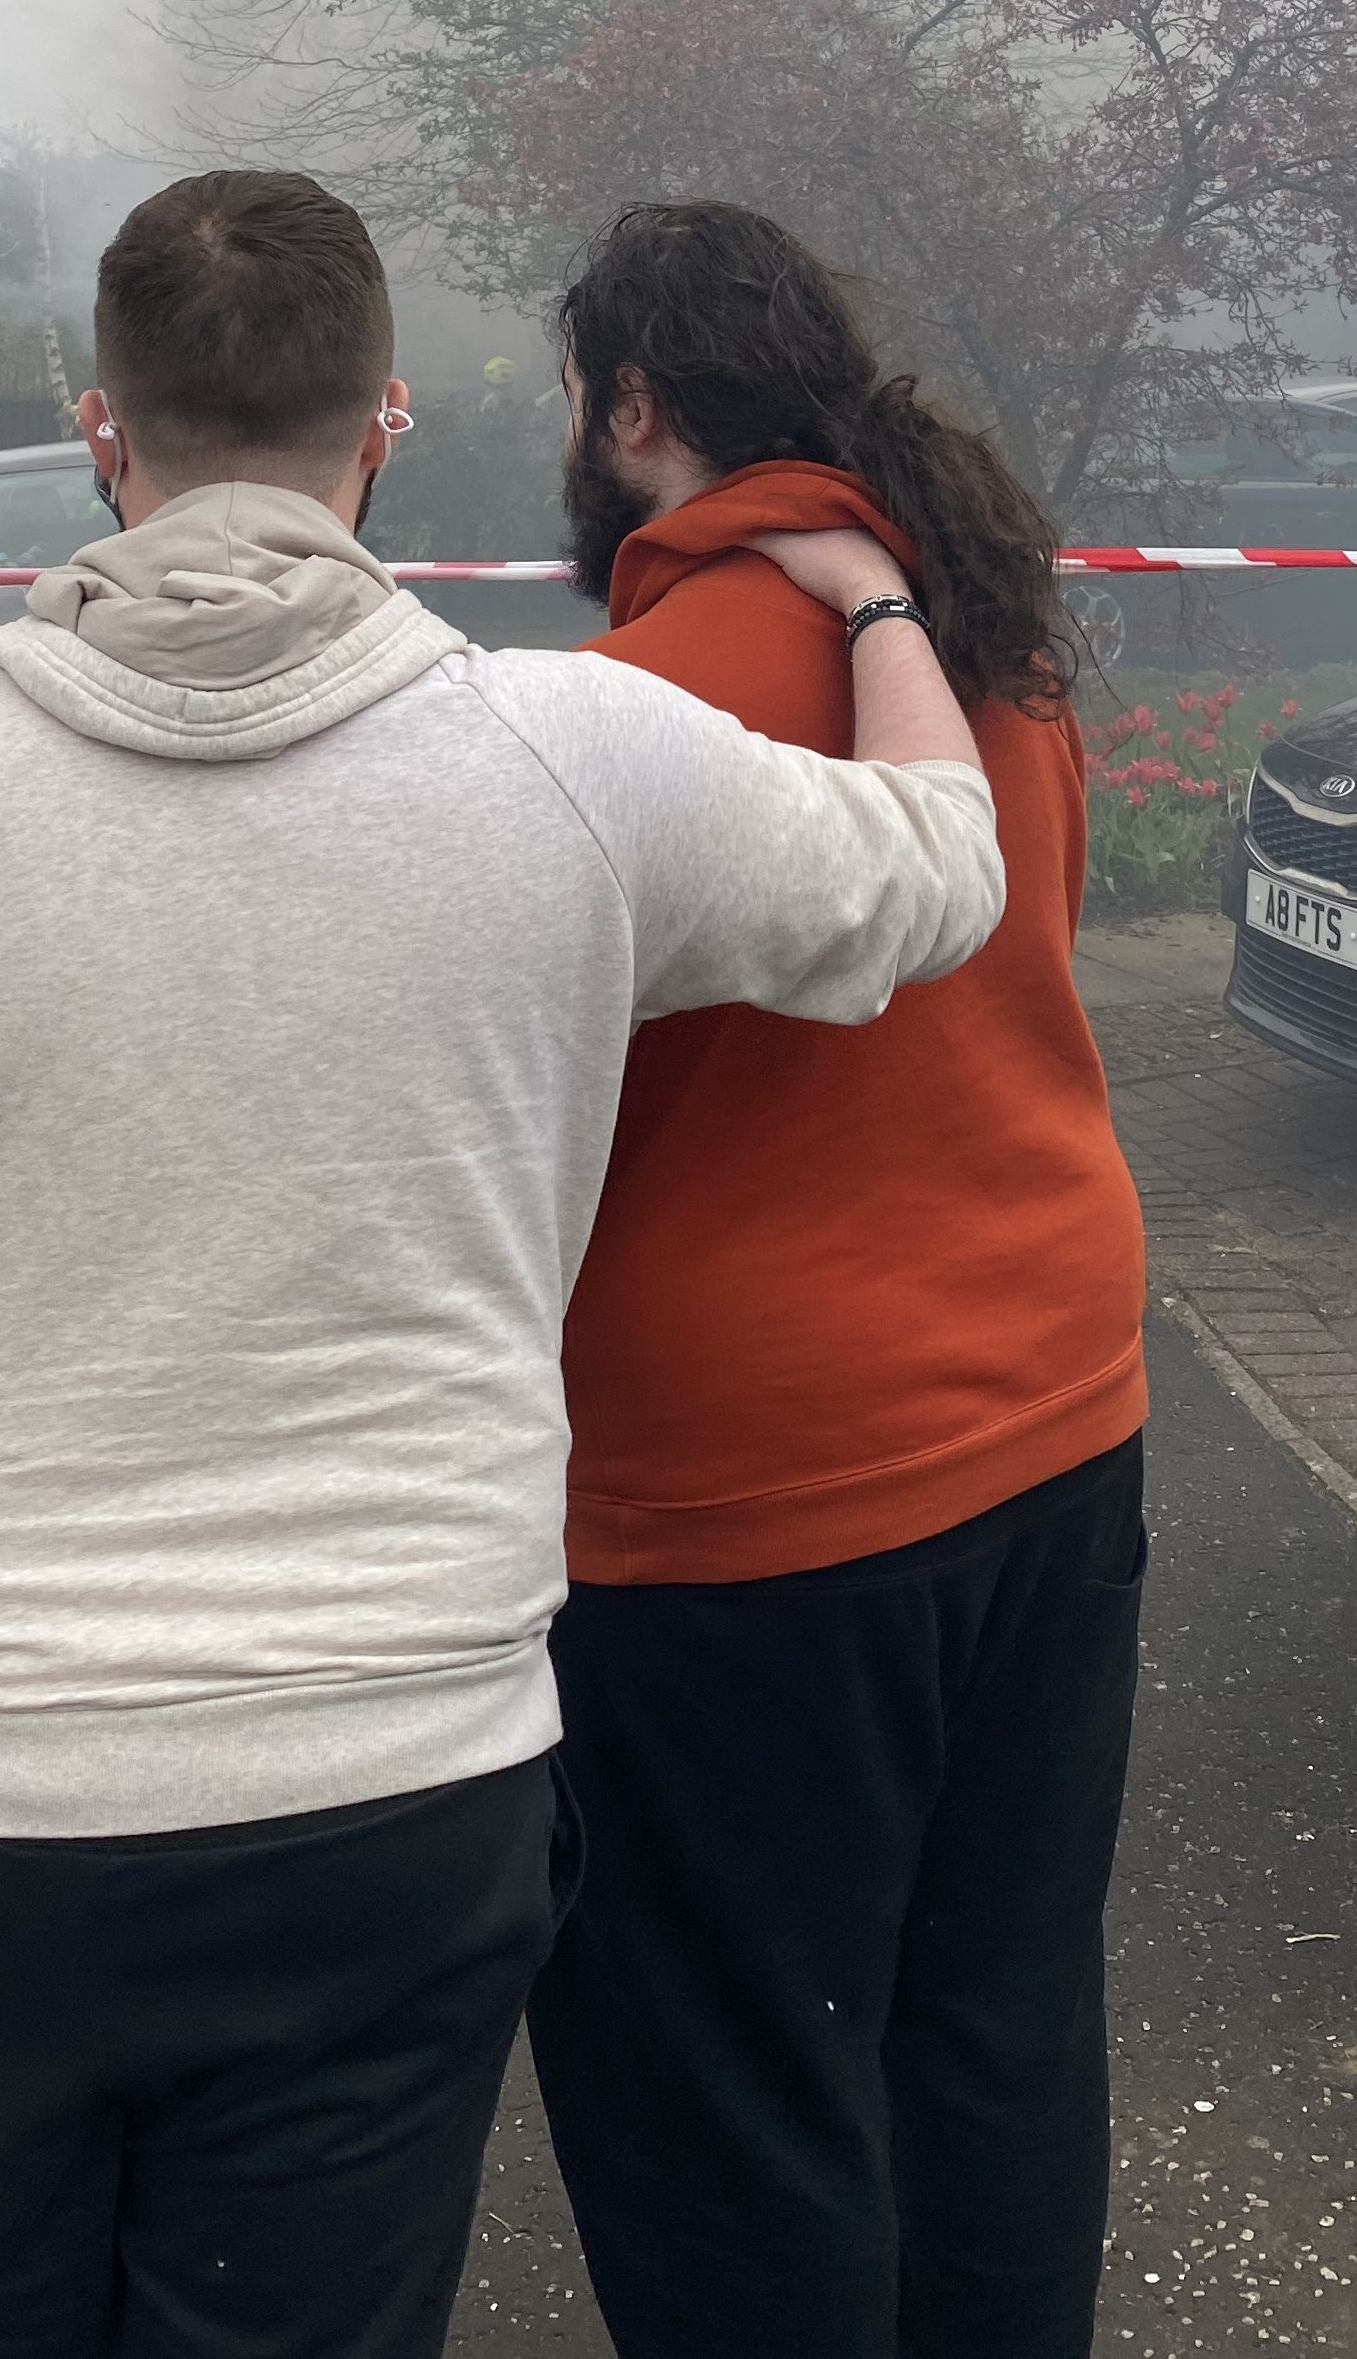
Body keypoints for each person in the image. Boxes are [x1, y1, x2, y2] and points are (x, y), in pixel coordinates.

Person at [0, 167, 1005, 2359]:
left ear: (107, 431)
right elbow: (935, 877)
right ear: (386, 428)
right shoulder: (577, 758)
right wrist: (878, 602)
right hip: (394, 1803)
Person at [525, 200, 1149, 2359]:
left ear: (631, 409)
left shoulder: (631, 707)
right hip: (1058, 1418)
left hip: (747, 1509)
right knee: (993, 2031)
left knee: (731, 2098)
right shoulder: (981, 627)